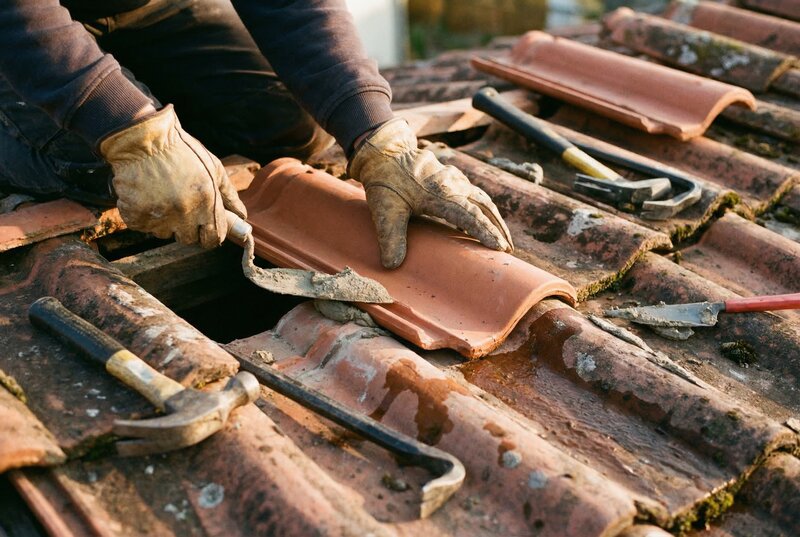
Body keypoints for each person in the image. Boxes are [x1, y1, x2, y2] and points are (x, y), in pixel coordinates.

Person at [0, 0, 512, 268]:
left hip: (144, 9)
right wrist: (131, 135)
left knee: (287, 122)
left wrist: (378, 134)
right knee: (96, 163)